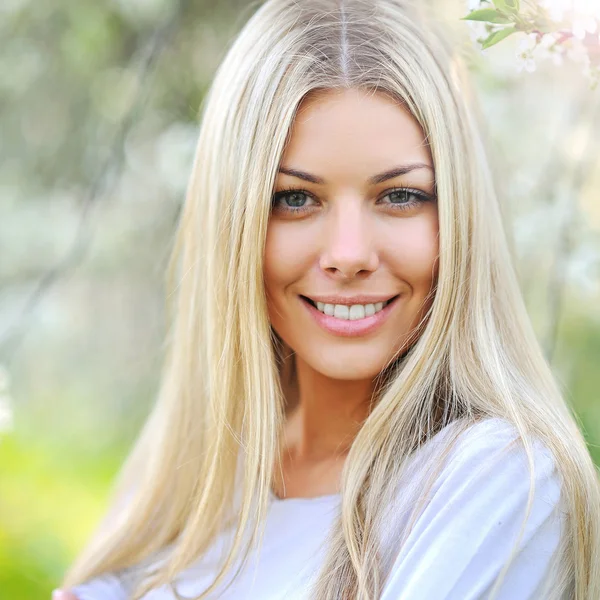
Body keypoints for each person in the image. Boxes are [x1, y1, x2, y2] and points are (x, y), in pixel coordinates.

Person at [53, 0, 600, 599]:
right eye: (294, 199)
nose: (348, 253)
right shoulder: (195, 476)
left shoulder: (495, 478)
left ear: (460, 219)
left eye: (399, 196)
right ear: (232, 224)